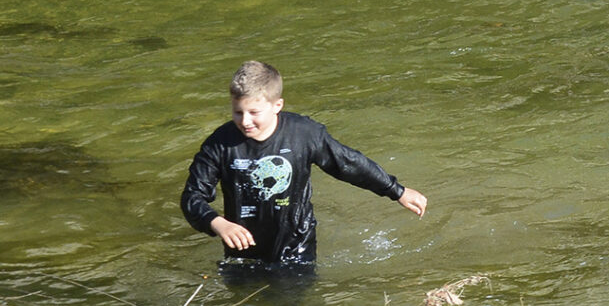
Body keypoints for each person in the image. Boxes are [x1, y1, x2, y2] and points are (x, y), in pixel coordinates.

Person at [178, 59, 425, 273]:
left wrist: (397, 191)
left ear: (277, 105)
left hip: (295, 246)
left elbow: (348, 164)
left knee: (292, 305)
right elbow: (192, 197)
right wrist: (217, 223)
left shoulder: (304, 135)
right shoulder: (220, 144)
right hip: (241, 252)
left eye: (254, 112)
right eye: (237, 112)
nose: (245, 121)